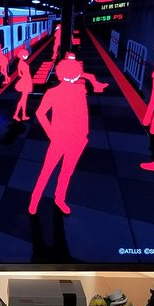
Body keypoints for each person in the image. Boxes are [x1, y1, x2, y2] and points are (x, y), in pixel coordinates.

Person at [28, 54, 107, 215]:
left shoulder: (54, 92)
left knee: (47, 171)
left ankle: (36, 201)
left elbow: (40, 113)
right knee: (65, 171)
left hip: (65, 138)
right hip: (73, 139)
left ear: (59, 73)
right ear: (77, 75)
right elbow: (83, 115)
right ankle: (58, 199)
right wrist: (83, 135)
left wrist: (51, 133)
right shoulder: (79, 91)